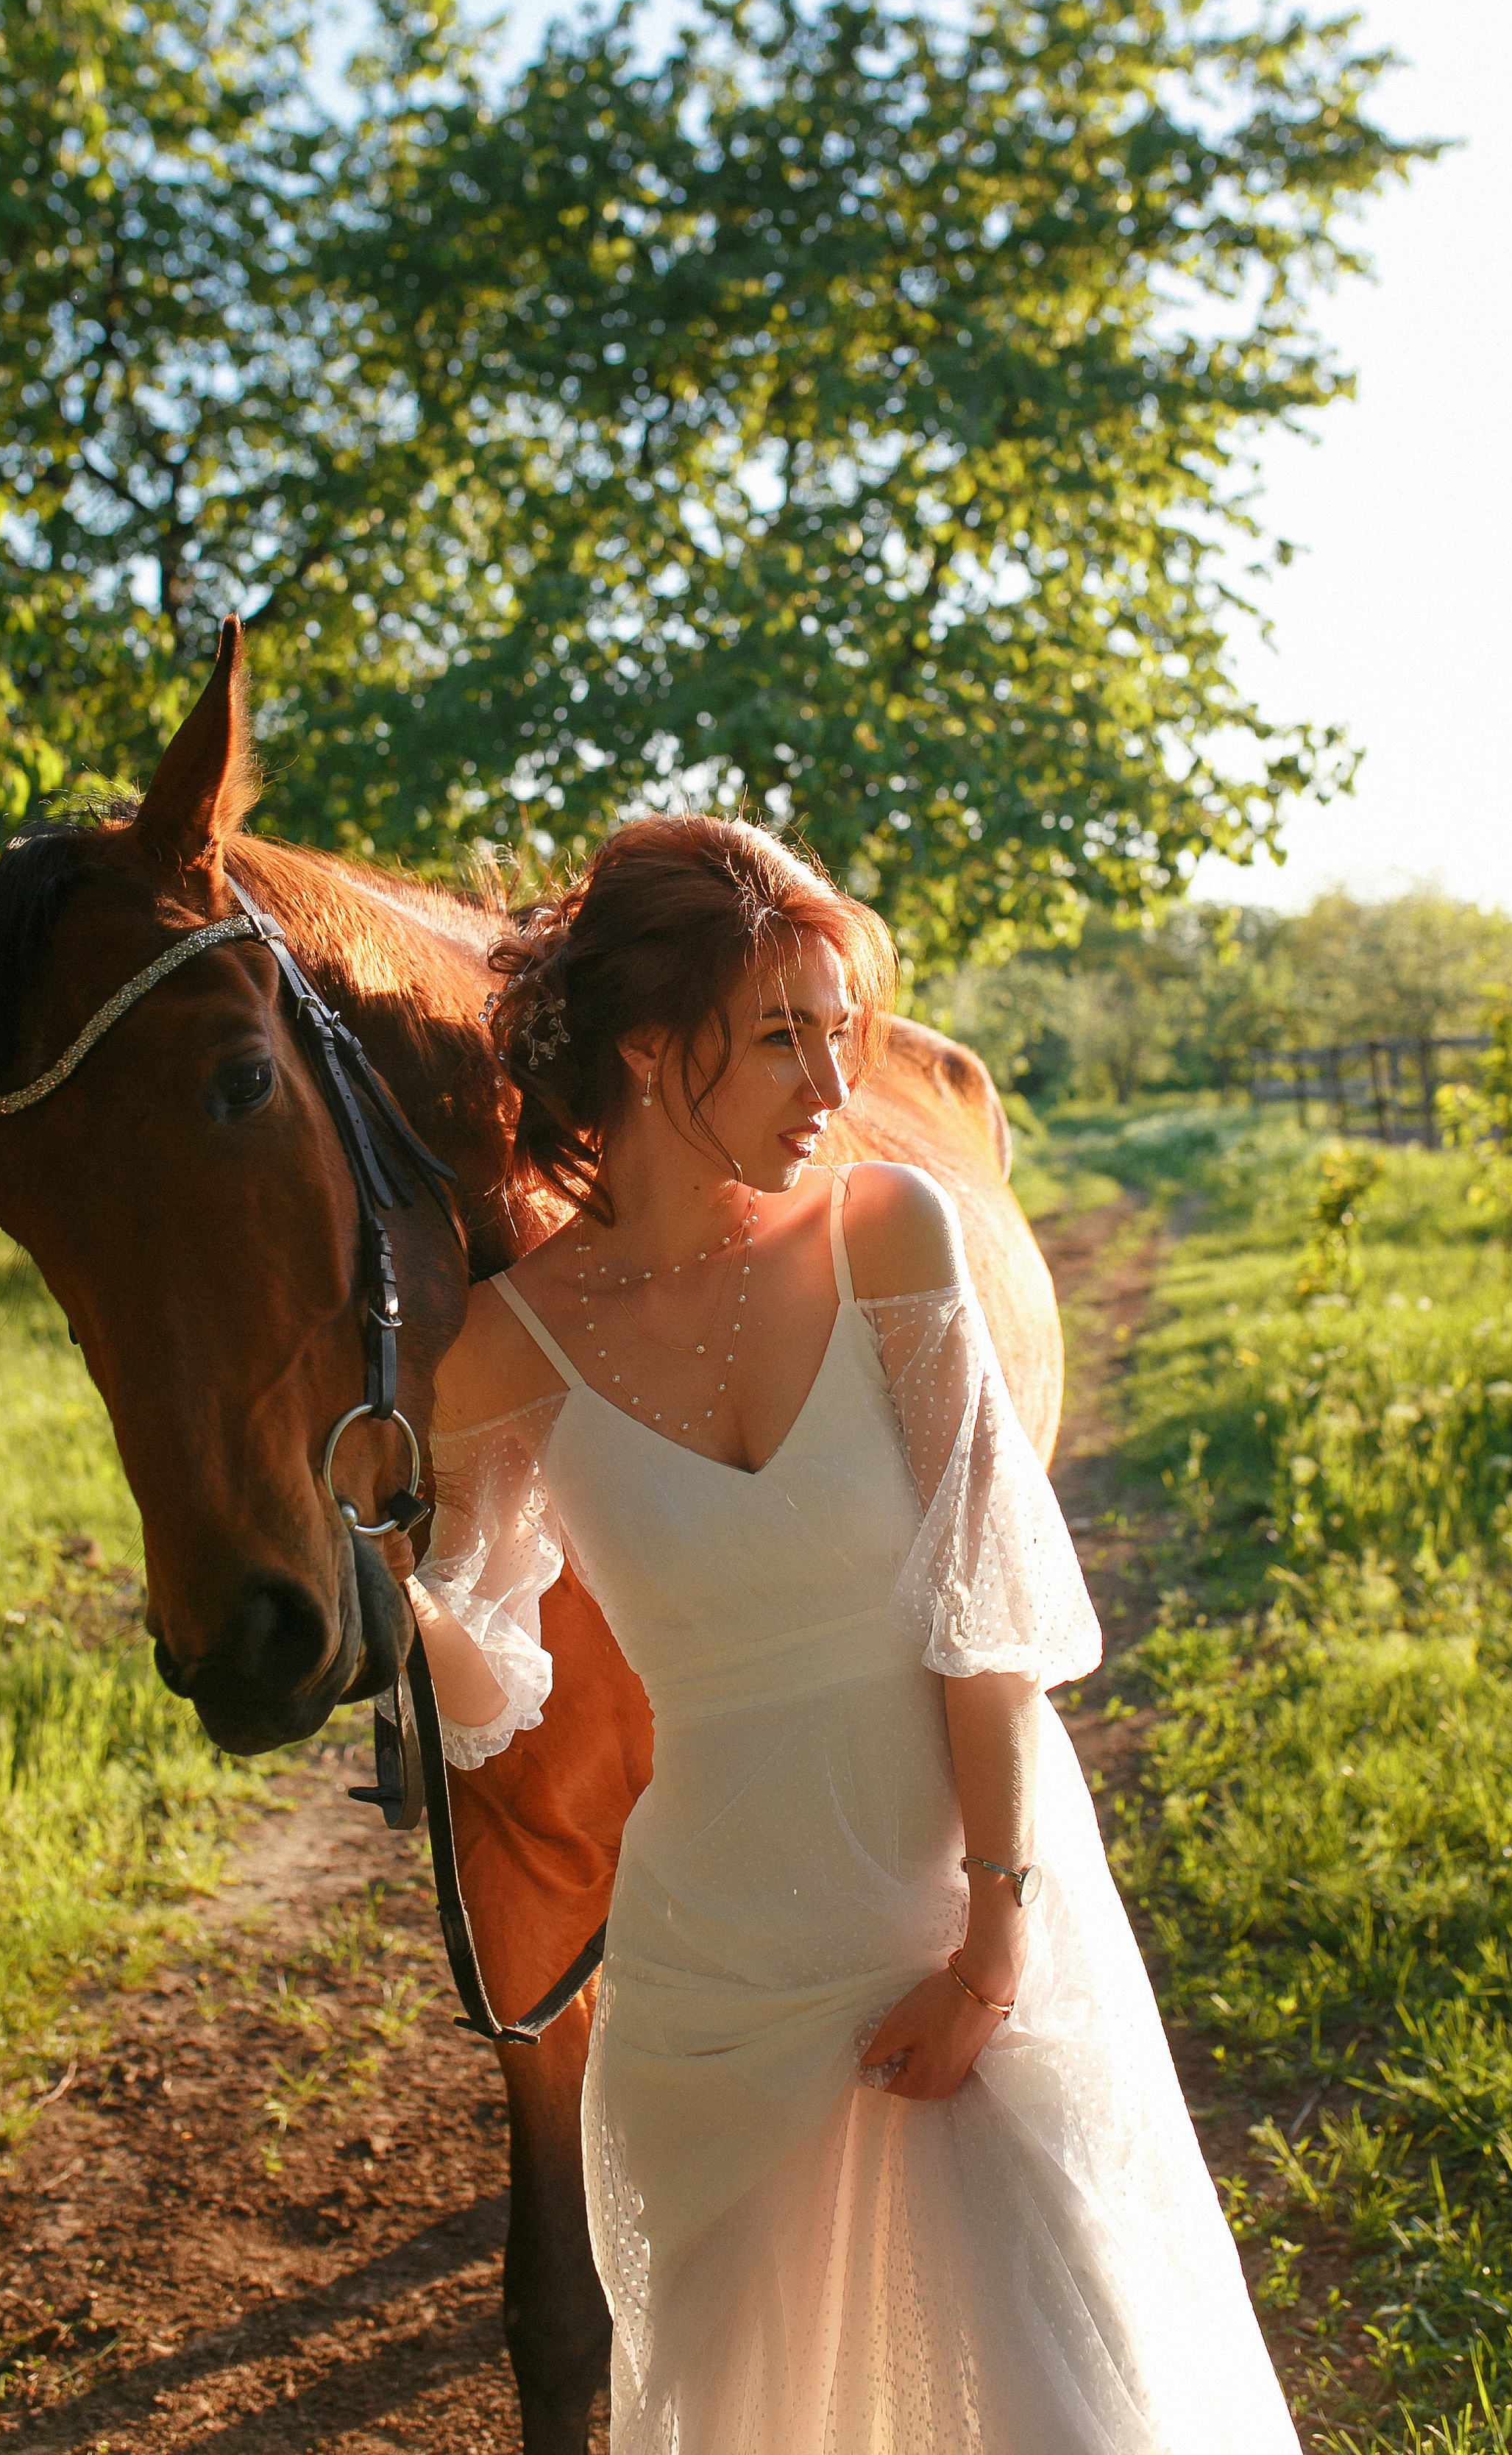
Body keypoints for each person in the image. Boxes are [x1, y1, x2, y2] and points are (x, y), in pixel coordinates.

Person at [395, 815, 1301, 2454]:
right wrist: (391, 1567)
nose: (829, 1080)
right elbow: (482, 1684)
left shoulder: (885, 1232)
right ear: (650, 1053)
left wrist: (992, 1942)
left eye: (838, 1030)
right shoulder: (504, 1353)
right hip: (710, 1980)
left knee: (1060, 2395)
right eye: (779, 1036)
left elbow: (985, 1614)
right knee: (765, 2398)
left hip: (952, 1907)